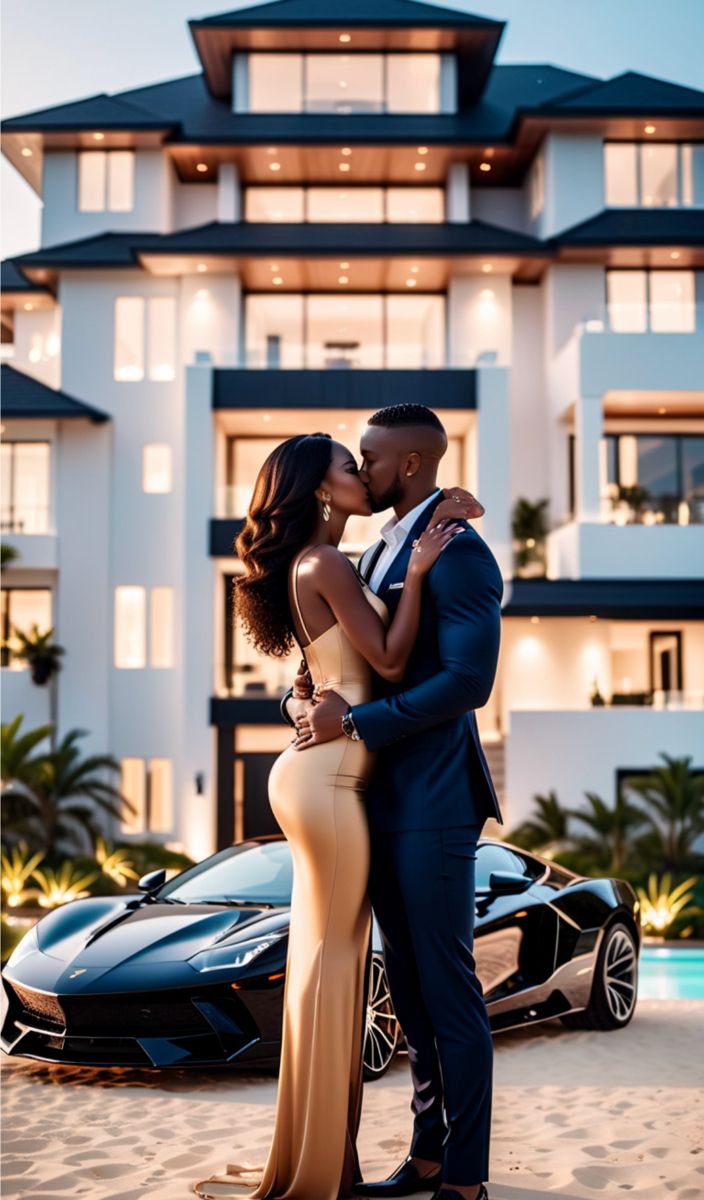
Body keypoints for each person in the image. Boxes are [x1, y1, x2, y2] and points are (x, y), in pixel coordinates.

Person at [192, 429, 481, 1200]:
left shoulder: (322, 563)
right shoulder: (330, 561)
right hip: (331, 781)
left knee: (333, 963)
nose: (360, 473)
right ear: (321, 491)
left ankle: (327, 1156)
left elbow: (325, 669)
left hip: (327, 777)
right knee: (332, 965)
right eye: (347, 467)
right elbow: (386, 662)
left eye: (365, 461)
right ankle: (323, 1162)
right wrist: (418, 573)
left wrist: (309, 699)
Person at [290, 405, 504, 1200]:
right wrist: (303, 700)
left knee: (448, 992)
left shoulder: (459, 555)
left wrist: (359, 720)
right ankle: (423, 1158)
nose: (361, 468)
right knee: (409, 996)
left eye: (370, 458)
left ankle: (466, 1178)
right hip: (370, 799)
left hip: (435, 801)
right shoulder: (383, 550)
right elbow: (345, 657)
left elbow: (465, 683)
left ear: (408, 466)